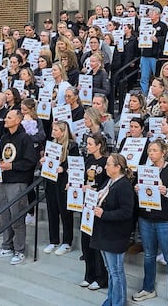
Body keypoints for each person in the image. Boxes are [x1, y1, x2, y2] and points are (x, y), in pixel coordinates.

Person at [132, 140, 168, 305]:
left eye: (154, 150)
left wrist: (167, 192)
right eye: (149, 150)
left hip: (167, 221)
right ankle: (148, 288)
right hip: (146, 218)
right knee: (148, 255)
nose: (151, 153)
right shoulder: (145, 170)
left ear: (163, 153)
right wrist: (137, 189)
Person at [0, 109, 39, 265]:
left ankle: (20, 250)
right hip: (3, 180)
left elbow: (31, 161)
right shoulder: (3, 138)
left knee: (17, 216)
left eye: (9, 117)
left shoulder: (25, 139)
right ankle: (6, 246)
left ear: (18, 120)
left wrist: (12, 166)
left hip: (18, 182)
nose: (5, 120)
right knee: (4, 216)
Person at [91, 153, 136, 306]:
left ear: (117, 167)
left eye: (108, 164)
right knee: (110, 270)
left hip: (116, 235)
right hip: (105, 233)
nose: (105, 167)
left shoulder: (123, 185)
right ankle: (111, 299)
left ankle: (118, 302)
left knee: (116, 272)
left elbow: (126, 212)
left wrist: (104, 214)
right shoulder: (110, 182)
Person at [42, 121, 79, 256]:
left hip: (63, 182)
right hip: (51, 181)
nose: (53, 132)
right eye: (53, 129)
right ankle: (53, 240)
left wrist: (64, 168)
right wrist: (43, 161)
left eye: (56, 130)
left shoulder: (72, 146)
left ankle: (67, 242)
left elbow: (76, 164)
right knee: (52, 211)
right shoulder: (51, 144)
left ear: (63, 132)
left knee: (65, 213)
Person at [79, 133, 110, 290]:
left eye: (90, 144)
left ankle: (101, 277)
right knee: (85, 241)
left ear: (98, 145)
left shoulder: (105, 162)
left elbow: (107, 184)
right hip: (86, 204)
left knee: (96, 242)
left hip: (98, 204)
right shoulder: (88, 160)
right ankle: (88, 274)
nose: (88, 146)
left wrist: (94, 188)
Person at [140, 6, 168, 94]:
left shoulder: (163, 26)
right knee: (144, 77)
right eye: (150, 13)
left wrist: (157, 39)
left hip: (155, 56)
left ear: (158, 15)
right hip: (145, 55)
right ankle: (144, 94)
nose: (151, 15)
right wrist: (140, 39)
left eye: (153, 13)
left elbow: (166, 38)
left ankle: (158, 94)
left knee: (157, 77)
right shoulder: (147, 26)